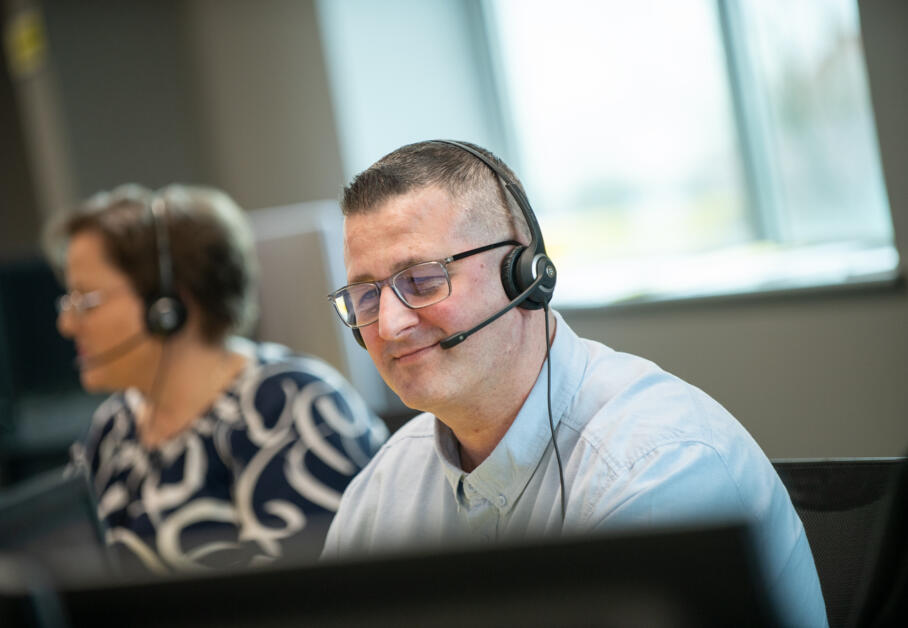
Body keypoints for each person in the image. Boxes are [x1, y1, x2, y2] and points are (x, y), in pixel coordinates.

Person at [321, 140, 827, 626]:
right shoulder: (383, 489)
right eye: (365, 296)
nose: (389, 325)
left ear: (521, 275)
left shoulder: (658, 468)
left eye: (422, 279)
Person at [45, 184, 387, 574]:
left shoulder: (292, 405)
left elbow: (315, 600)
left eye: (86, 300)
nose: (67, 324)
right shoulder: (113, 426)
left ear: (168, 303)